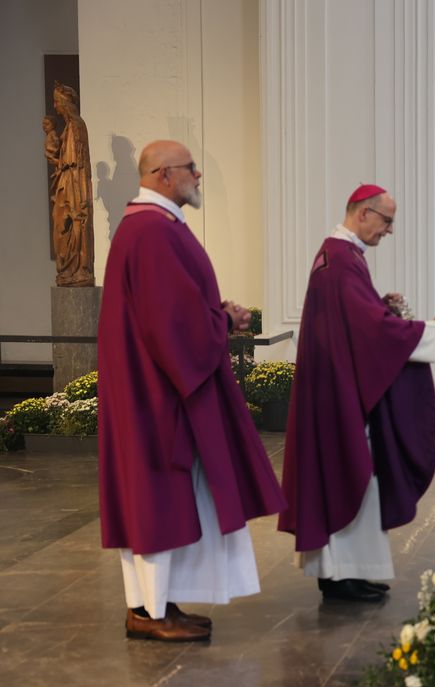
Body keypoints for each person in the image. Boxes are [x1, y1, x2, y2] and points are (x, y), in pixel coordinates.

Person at [97, 140, 285, 641]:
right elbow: (171, 327)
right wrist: (220, 321)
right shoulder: (152, 232)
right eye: (190, 168)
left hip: (153, 389)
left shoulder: (151, 228)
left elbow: (172, 310)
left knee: (157, 501)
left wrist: (216, 314)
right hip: (158, 397)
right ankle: (150, 613)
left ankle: (154, 606)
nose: (198, 175)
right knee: (158, 501)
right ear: (162, 174)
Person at [279, 185, 435, 602]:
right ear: (362, 213)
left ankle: (344, 573)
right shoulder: (340, 260)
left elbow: (355, 320)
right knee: (349, 474)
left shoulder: (342, 255)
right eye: (387, 221)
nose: (390, 231)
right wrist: (427, 328)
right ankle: (341, 577)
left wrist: (381, 306)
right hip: (338, 396)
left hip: (334, 388)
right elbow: (367, 332)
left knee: (345, 475)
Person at [42, 82, 95, 287]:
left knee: (71, 222)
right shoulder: (69, 128)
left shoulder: (75, 126)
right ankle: (68, 269)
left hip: (72, 184)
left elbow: (77, 167)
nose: (55, 107)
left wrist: (76, 197)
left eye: (56, 102)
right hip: (66, 181)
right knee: (59, 224)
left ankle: (78, 268)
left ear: (64, 103)